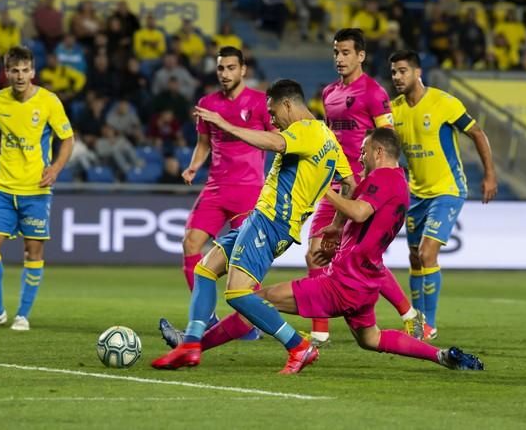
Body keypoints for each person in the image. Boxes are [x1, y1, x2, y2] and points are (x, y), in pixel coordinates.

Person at [154, 128, 484, 374]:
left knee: (251, 302)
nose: (361, 156)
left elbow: (359, 211)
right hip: (364, 283)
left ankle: (193, 345)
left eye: (366, 151)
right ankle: (441, 355)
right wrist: (338, 229)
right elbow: (360, 220)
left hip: (342, 284)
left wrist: (323, 187)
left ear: (380, 152)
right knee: (371, 339)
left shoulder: (384, 177)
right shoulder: (395, 181)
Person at [151, 79, 354, 374]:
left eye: (273, 113)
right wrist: (336, 226)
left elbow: (273, 143)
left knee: (237, 294)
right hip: (268, 220)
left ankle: (298, 345)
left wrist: (226, 125)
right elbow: (349, 183)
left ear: (288, 104)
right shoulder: (329, 139)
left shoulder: (304, 130)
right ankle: (191, 345)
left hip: (272, 220)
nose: (272, 120)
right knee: (205, 269)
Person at [306, 28, 422, 345]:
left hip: (363, 186)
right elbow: (333, 136)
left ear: (361, 55)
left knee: (351, 256)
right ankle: (410, 317)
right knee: (326, 252)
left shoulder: (373, 92)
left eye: (346, 52)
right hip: (337, 180)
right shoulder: (329, 93)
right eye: (336, 52)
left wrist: (388, 181)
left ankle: (320, 331)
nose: (339, 58)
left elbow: (388, 140)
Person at [159, 47, 275, 343]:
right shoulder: (208, 103)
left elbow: (276, 140)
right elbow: (203, 142)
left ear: (243, 70)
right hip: (215, 188)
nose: (225, 74)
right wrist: (193, 166)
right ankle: (208, 319)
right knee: (190, 243)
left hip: (249, 191)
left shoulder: (261, 103)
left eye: (231, 68)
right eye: (221, 68)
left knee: (245, 262)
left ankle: (246, 325)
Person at [388, 49, 498, 340]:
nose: (397, 77)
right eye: (394, 72)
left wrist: (489, 174)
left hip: (447, 189)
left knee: (427, 253)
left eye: (403, 71)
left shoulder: (444, 102)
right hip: (416, 195)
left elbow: (477, 134)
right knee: (414, 258)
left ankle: (429, 323)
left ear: (417, 72)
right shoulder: (394, 110)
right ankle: (417, 321)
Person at [0, 45, 74, 331]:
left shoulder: (49, 102)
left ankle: (22, 315)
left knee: (33, 251)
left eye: (25, 70)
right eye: (14, 70)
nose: (20, 75)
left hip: (36, 189)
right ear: (6, 72)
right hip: (4, 187)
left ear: (33, 71)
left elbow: (68, 139)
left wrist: (55, 169)